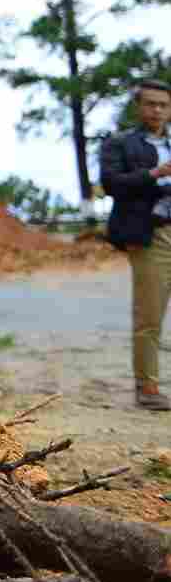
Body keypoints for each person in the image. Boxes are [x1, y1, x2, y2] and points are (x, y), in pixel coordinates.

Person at [98, 79, 171, 411]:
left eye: (164, 105)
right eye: (151, 104)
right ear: (138, 107)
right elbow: (111, 184)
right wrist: (155, 173)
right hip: (151, 235)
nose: (157, 110)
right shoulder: (121, 144)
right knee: (150, 313)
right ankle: (148, 387)